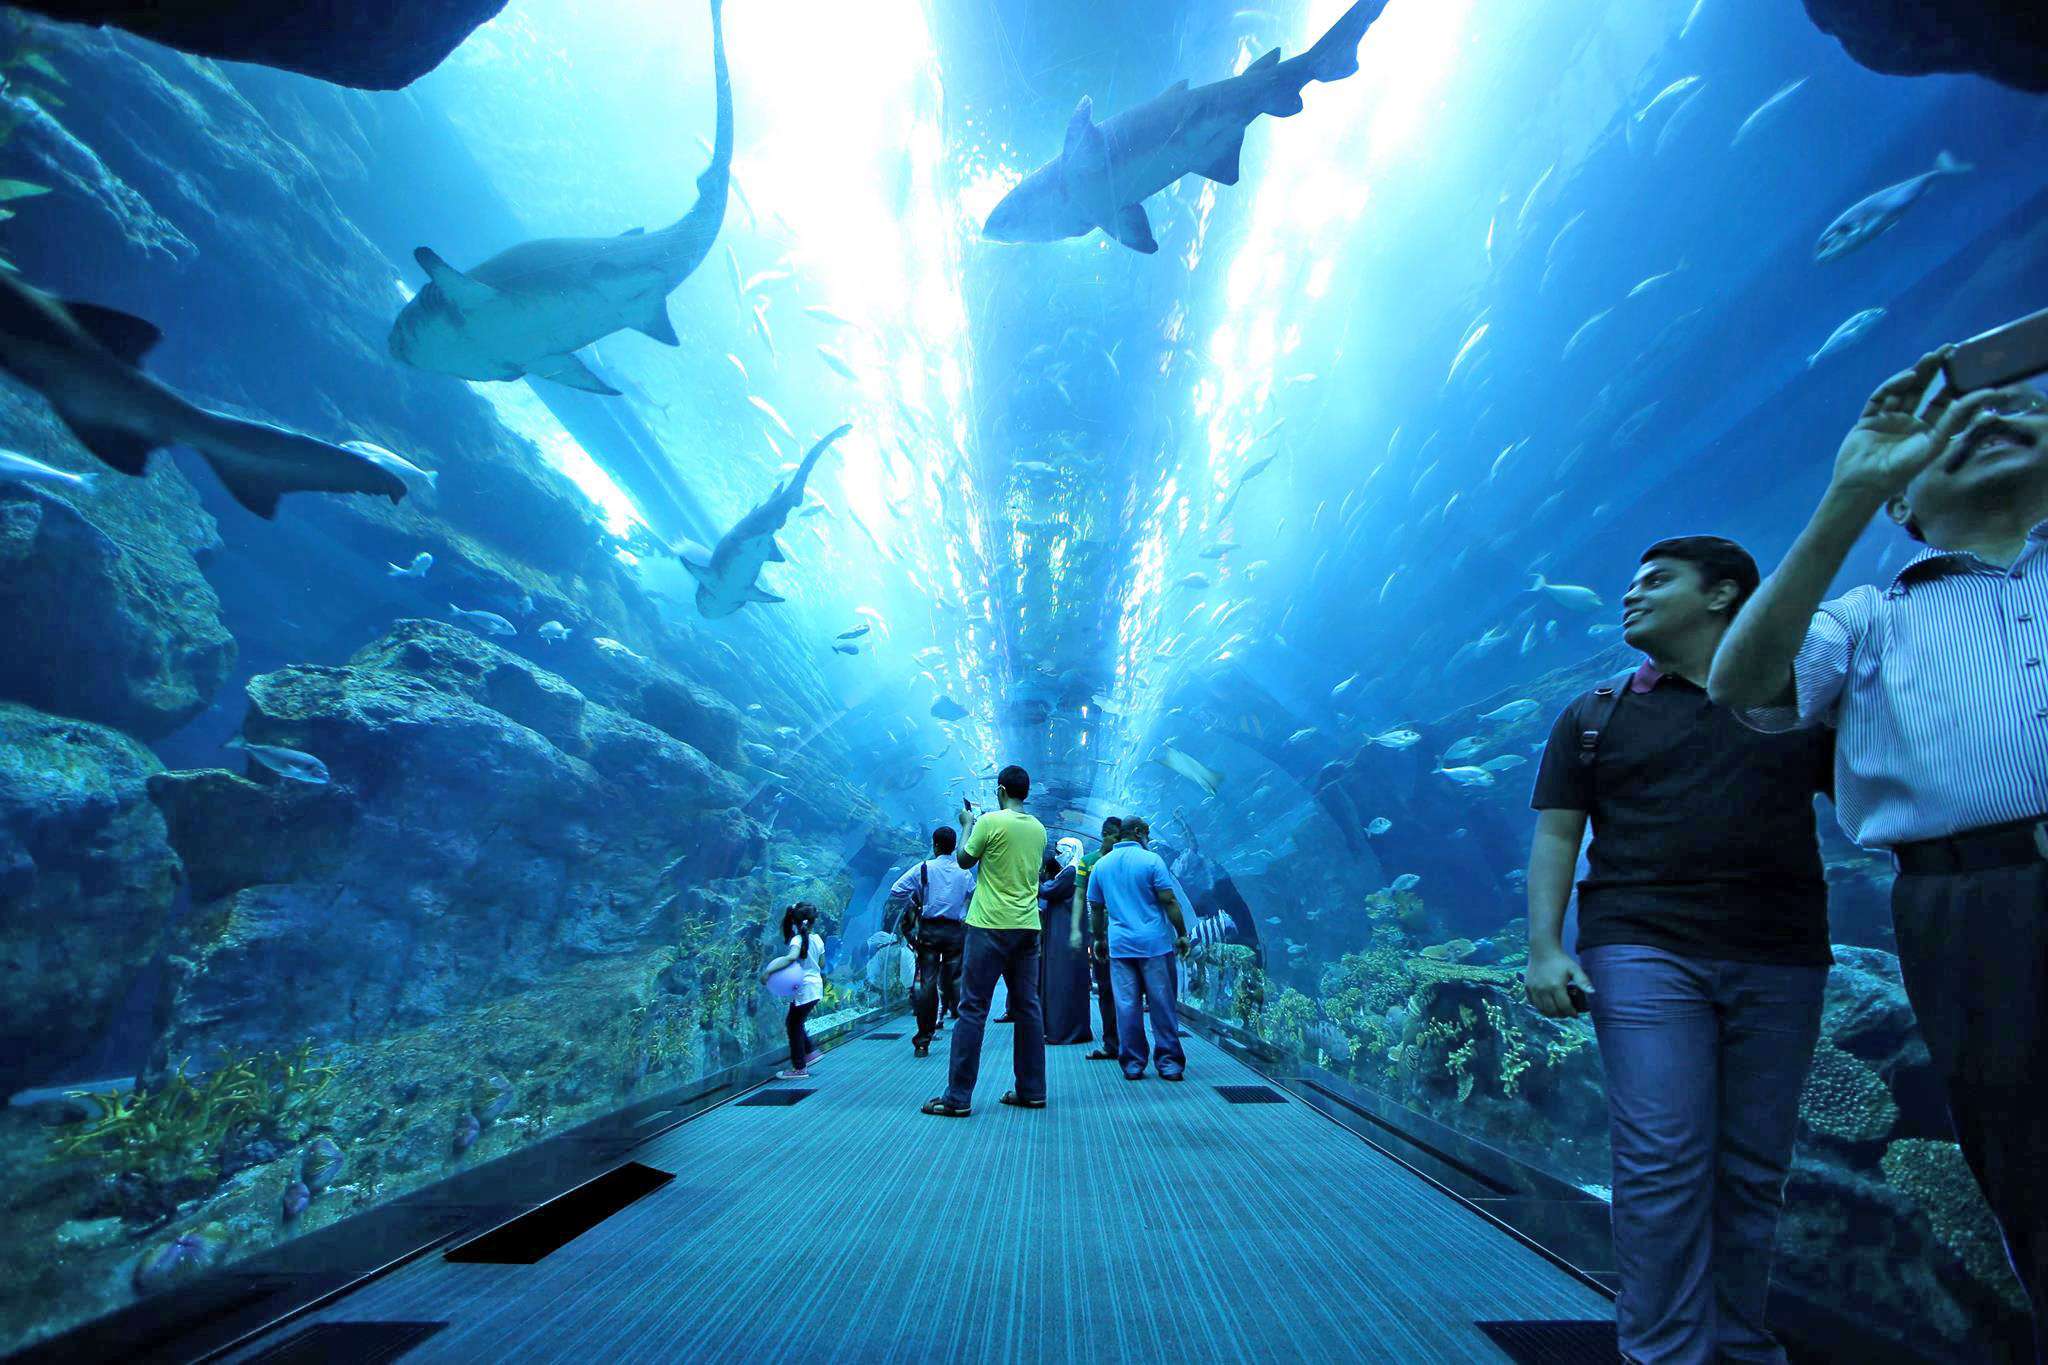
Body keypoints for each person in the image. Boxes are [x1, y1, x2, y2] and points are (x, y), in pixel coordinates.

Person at [1708, 352, 2048, 1359]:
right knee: (2026, 1163)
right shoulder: (1865, 621)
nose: (1987, 414)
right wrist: (1844, 491)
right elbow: (1743, 683)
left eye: (2019, 403)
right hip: (1981, 906)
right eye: (1959, 418)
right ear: (1899, 499)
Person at [1525, 534, 1834, 1365]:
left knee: (1754, 1167)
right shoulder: (1595, 714)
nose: (1631, 594)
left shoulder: (1799, 697)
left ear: (1725, 594)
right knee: (1663, 1160)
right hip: (1642, 946)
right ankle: (1662, 1353)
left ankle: (1739, 1343)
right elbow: (1559, 835)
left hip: (1783, 950)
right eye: (1631, 581)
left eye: (1657, 581)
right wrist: (1545, 947)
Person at [922, 765, 1049, 1118]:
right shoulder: (1039, 829)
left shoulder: (989, 822)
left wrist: (966, 824)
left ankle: (958, 1097)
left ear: (1001, 789)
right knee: (1028, 1008)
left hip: (989, 925)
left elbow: (964, 860)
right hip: (1027, 926)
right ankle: (1032, 1090)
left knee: (973, 1008)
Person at [1086, 816, 1191, 1082]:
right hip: (1154, 945)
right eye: (1146, 832)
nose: (1148, 837)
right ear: (1136, 832)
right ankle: (1169, 1064)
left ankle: (1133, 1064)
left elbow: (1095, 908)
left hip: (1121, 947)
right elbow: (1168, 900)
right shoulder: (1151, 860)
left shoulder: (1101, 865)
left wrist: (1099, 939)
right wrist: (1182, 934)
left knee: (1126, 1006)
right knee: (1162, 1005)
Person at [886, 825, 975, 1058]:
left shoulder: (923, 868)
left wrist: (917, 898)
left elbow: (896, 890)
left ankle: (923, 1040)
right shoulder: (964, 872)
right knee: (956, 978)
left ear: (935, 845)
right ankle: (963, 1030)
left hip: (930, 931)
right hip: (956, 931)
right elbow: (973, 894)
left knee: (927, 983)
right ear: (955, 846)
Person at [1074, 817, 1124, 1061]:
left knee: (1127, 989)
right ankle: (1111, 1043)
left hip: (1122, 933)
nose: (1118, 841)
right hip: (1100, 933)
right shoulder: (1088, 862)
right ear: (1105, 835)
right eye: (1114, 836)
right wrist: (1076, 928)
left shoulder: (1124, 860)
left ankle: (1130, 1043)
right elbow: (1080, 896)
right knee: (1105, 988)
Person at [760, 902, 828, 1081]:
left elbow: (790, 958)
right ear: (813, 921)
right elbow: (821, 964)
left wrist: (769, 971)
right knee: (795, 1022)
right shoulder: (818, 939)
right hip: (815, 987)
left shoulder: (797, 940)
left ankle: (799, 1068)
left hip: (805, 989)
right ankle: (811, 1052)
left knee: (793, 1025)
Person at [1037, 845, 1093, 1045]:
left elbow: (1047, 890)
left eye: (1061, 851)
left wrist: (1033, 876)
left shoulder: (1070, 872)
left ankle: (1062, 1030)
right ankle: (1073, 1028)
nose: (1058, 856)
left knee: (1062, 980)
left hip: (1064, 932)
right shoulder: (1072, 870)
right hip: (1065, 929)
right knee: (1070, 980)